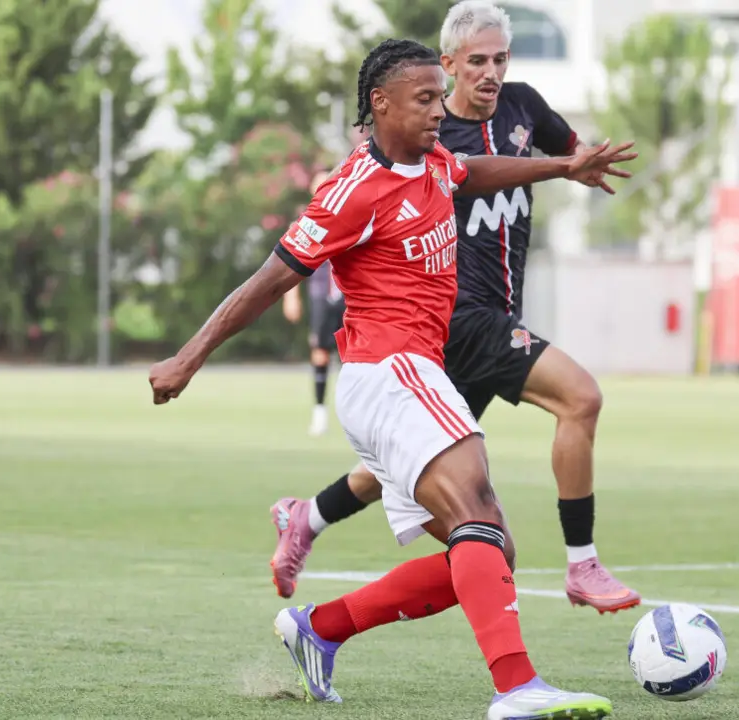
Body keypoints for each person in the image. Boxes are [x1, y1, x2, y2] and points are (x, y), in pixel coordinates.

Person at [149, 37, 634, 718]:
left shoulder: (433, 161)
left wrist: (560, 167)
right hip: (390, 372)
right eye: (425, 98)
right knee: (479, 510)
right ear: (379, 104)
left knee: (491, 552)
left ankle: (321, 629)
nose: (441, 111)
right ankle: (517, 688)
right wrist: (189, 356)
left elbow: (471, 170)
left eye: (441, 97)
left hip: (409, 376)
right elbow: (270, 279)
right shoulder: (352, 190)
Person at [268, 0, 642, 615]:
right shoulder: (427, 134)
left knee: (399, 469)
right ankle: (584, 564)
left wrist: (579, 163)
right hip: (459, 320)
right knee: (581, 397)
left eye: (500, 59)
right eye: (476, 62)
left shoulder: (525, 107)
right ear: (447, 65)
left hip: (486, 323)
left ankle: (306, 517)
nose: (490, 73)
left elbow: (569, 154)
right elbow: (372, 182)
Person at [281, 169, 346, 436]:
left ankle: (355, 415)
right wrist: (291, 296)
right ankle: (319, 412)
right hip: (321, 294)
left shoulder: (351, 214)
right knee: (319, 351)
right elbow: (288, 262)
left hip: (348, 295)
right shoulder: (306, 221)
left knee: (353, 357)